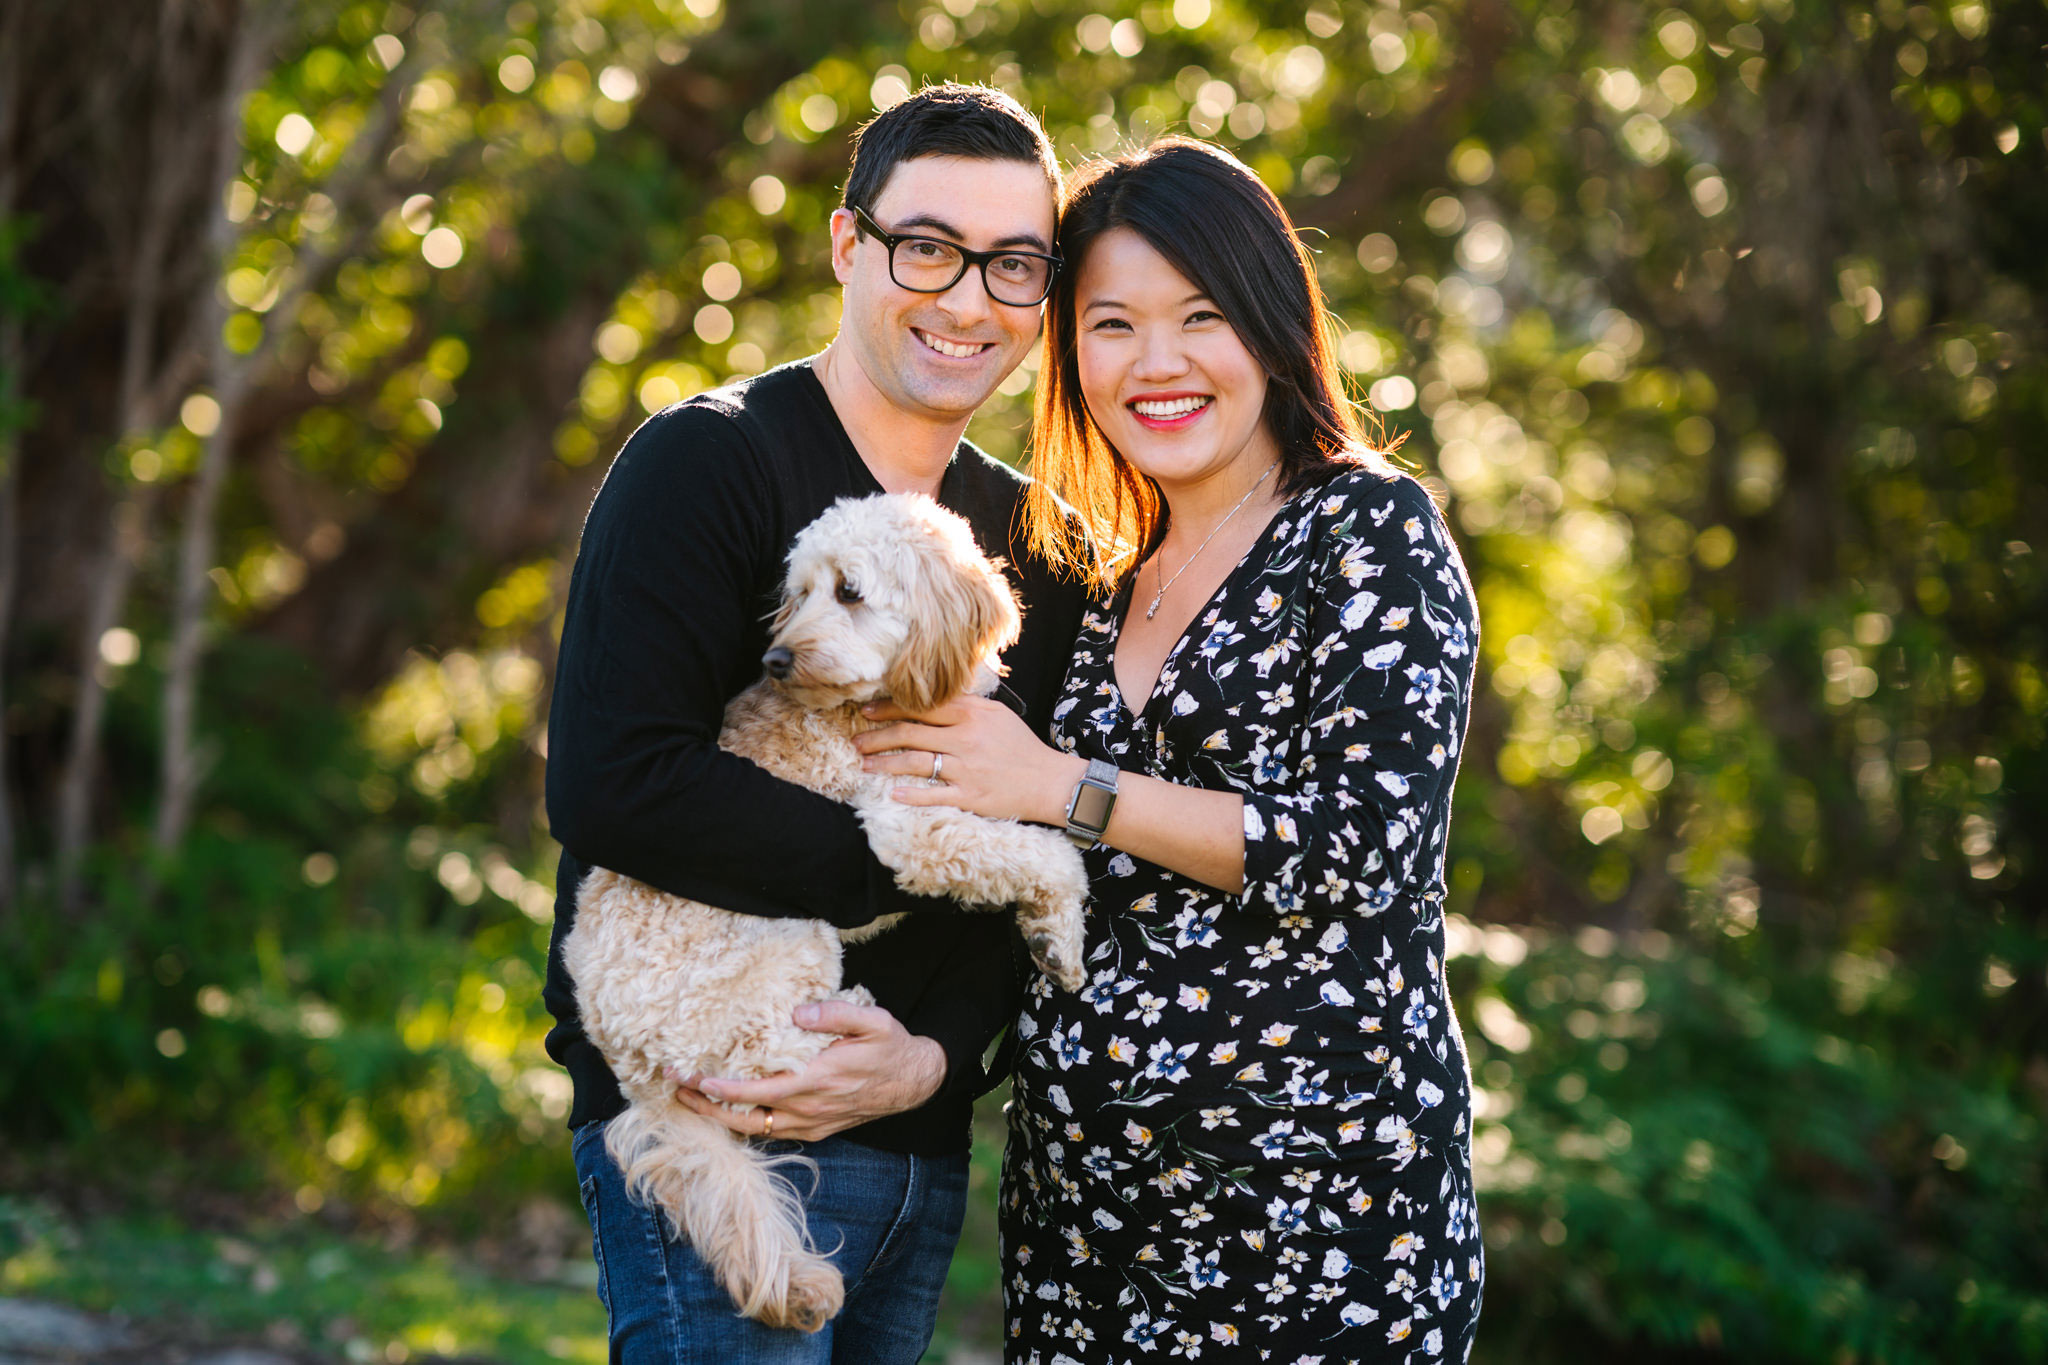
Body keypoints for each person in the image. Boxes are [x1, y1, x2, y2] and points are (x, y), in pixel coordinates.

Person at [854, 137, 1484, 1361]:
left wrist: (1064, 789)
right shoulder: (1089, 580)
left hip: (1314, 1216)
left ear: (1269, 321)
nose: (1156, 365)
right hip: (1086, 1227)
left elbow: (1361, 849)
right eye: (1110, 325)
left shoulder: (1362, 534)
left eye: (1198, 316)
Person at [540, 84, 1085, 1363]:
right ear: (849, 246)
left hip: (915, 1158)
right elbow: (618, 788)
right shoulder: (703, 463)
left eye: (1012, 264)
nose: (966, 300)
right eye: (926, 248)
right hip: (717, 1110)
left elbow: (1022, 839)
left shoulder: (1030, 548)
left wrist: (931, 1062)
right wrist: (892, 853)